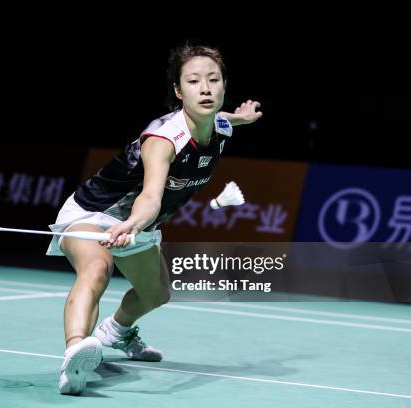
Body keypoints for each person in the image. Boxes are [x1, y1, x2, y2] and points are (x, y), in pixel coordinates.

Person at [46, 42, 263, 395]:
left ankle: (115, 332)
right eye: (193, 81)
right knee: (97, 268)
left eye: (214, 79)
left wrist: (245, 116)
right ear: (178, 91)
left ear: (224, 85)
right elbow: (150, 196)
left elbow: (224, 119)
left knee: (156, 294)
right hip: (95, 211)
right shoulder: (163, 139)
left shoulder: (220, 127)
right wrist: (131, 223)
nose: (205, 88)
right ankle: (74, 354)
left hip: (138, 224)